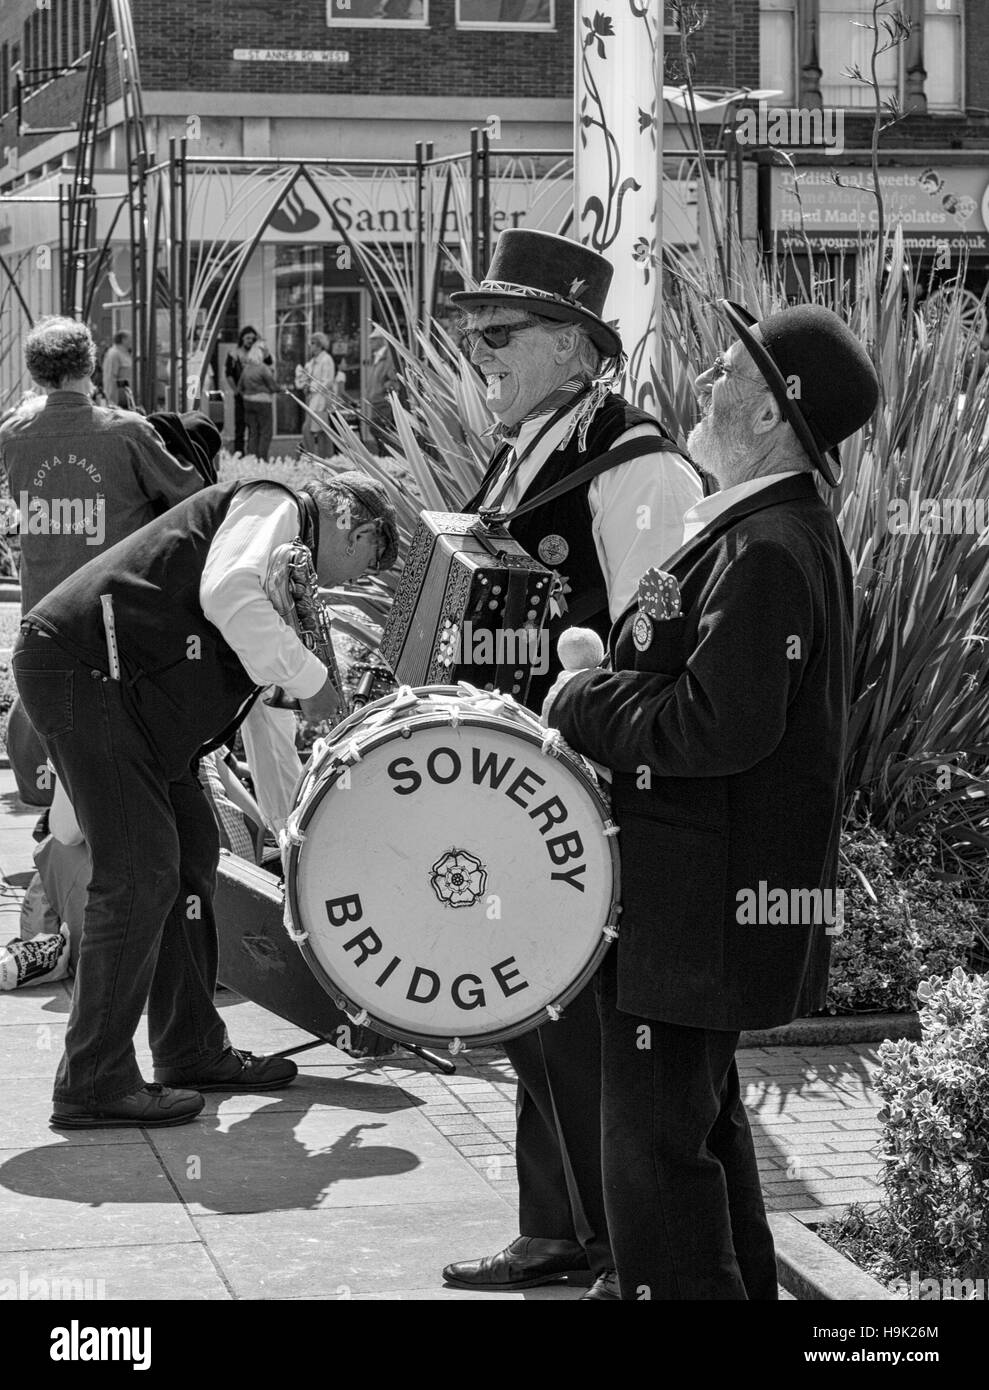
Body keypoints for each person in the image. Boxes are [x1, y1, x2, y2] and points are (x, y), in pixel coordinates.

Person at [542, 301, 879, 1299]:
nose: (705, 380)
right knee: (698, 1128)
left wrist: (579, 694)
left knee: (652, 1154)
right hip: (699, 904)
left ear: (775, 414)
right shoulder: (765, 529)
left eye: (729, 368)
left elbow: (713, 727)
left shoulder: (768, 544)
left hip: (697, 911)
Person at [441, 229, 703, 1299]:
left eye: (496, 334)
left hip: (582, 791)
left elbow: (658, 646)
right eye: (469, 336)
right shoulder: (534, 443)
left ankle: (612, 1249)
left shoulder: (636, 463)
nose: (476, 354)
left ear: (572, 347)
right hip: (525, 783)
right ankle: (553, 1228)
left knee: (587, 1029)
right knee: (534, 1018)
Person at [12, 470, 399, 1130]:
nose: (355, 581)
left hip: (126, 695)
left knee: (192, 855)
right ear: (356, 527)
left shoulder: (284, 534)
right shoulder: (277, 504)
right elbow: (228, 595)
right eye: (367, 563)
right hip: (91, 670)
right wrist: (311, 682)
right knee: (140, 874)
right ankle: (92, 1080)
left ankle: (189, 1049)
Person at [0, 317, 206, 806]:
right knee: (114, 745)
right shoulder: (126, 432)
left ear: (35, 373)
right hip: (113, 620)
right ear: (90, 364)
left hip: (42, 610)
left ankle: (60, 829)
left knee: (62, 734)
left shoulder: (13, 435)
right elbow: (192, 499)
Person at [224, 326, 274, 455]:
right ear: (242, 338)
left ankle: (254, 455)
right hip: (242, 395)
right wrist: (236, 391)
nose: (250, 341)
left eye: (253, 338)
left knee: (254, 428)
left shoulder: (257, 352)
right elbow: (229, 374)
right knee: (240, 426)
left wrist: (263, 346)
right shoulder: (234, 354)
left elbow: (269, 362)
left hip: (255, 395)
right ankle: (239, 453)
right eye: (247, 338)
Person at [296, 332, 341, 456]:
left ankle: (320, 457)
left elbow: (328, 381)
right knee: (317, 431)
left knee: (316, 430)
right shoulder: (312, 362)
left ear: (320, 345)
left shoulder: (326, 359)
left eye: (312, 343)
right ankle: (321, 457)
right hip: (312, 400)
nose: (310, 346)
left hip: (321, 400)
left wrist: (311, 387)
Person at [239, 352, 280, 461]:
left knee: (252, 432)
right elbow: (273, 387)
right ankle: (262, 459)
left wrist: (247, 395)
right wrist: (280, 389)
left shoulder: (246, 369)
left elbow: (240, 387)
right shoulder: (263, 368)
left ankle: (252, 459)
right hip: (263, 402)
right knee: (265, 432)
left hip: (248, 402)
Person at [364, 328, 399, 453]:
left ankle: (388, 458)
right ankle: (385, 458)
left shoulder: (388, 358)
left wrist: (385, 388)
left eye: (373, 340)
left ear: (380, 341)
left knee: (380, 431)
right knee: (377, 430)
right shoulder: (378, 357)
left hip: (384, 402)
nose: (370, 343)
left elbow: (395, 380)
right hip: (376, 401)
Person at [101, 330, 133, 408]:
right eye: (130, 339)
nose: (132, 341)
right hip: (119, 402)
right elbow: (110, 378)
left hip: (128, 400)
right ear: (123, 340)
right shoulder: (113, 354)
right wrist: (112, 402)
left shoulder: (126, 353)